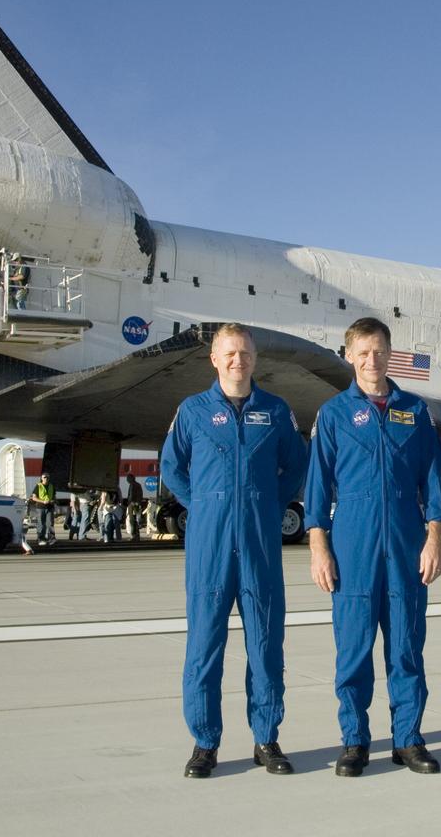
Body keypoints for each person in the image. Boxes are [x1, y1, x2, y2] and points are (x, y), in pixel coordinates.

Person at [160, 323, 308, 779]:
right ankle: (205, 742)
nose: (237, 360)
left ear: (254, 358)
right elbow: (173, 467)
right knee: (205, 645)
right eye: (229, 353)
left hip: (261, 545)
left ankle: (266, 737)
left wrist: (265, 505)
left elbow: (296, 468)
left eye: (244, 352)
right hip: (210, 546)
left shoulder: (276, 411)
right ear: (214, 358)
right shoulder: (192, 412)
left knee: (265, 644)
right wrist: (205, 505)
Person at [305, 317, 441, 777]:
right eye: (363, 352)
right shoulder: (332, 414)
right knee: (353, 651)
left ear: (391, 353)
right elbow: (317, 487)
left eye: (379, 351)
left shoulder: (415, 410)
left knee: (406, 649)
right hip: (353, 547)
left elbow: (432, 479)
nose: (372, 360)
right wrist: (318, 547)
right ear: (348, 356)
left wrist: (434, 538)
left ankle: (407, 739)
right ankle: (354, 741)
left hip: (407, 546)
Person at [29, 472, 56, 547]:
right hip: (41, 507)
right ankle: (40, 538)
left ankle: (51, 538)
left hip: (50, 507)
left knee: (50, 523)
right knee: (41, 523)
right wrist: (43, 501)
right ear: (41, 478)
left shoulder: (51, 486)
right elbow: (34, 497)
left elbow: (54, 497)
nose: (46, 479)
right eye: (44, 477)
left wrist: (52, 501)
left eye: (47, 477)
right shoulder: (38, 486)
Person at [125, 474, 144, 542]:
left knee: (132, 520)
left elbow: (131, 496)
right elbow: (141, 494)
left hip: (133, 505)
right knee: (135, 520)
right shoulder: (138, 485)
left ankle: (134, 536)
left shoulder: (133, 485)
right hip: (136, 504)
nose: (127, 480)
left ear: (131, 478)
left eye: (128, 478)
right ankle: (137, 536)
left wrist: (130, 503)